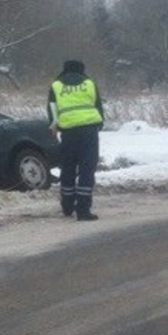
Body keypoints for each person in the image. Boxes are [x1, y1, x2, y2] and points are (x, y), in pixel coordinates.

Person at [47, 59, 104, 221]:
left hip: (68, 133)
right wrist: (98, 125)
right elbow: (98, 106)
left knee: (68, 168)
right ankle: (83, 210)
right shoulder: (89, 83)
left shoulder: (56, 85)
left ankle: (67, 206)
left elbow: (52, 109)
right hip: (89, 131)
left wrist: (53, 126)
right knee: (87, 169)